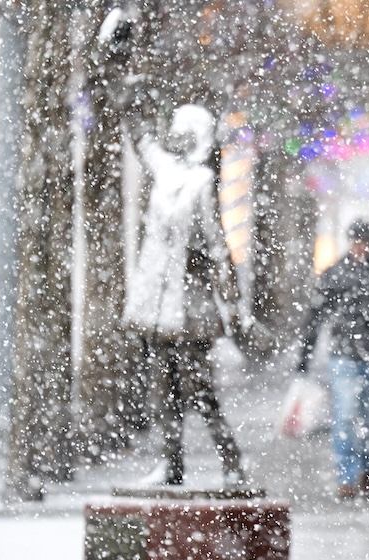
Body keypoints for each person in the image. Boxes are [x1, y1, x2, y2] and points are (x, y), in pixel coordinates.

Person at [124, 103, 245, 486]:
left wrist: (231, 296)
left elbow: (215, 240)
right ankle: (170, 463)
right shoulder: (163, 168)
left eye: (182, 130)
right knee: (163, 387)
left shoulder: (201, 181)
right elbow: (140, 138)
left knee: (199, 389)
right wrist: (127, 88)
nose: (174, 136)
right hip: (159, 302)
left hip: (191, 303)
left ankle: (232, 462)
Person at [297, 218, 369, 500]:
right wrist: (304, 357)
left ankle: (367, 468)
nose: (359, 247)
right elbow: (314, 317)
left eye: (363, 241)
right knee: (346, 415)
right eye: (355, 241)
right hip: (344, 356)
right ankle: (347, 476)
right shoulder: (335, 274)